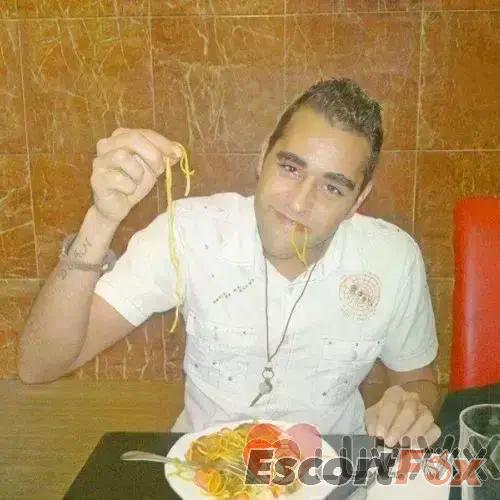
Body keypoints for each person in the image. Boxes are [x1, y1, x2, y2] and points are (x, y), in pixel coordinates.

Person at [18, 77, 441, 448]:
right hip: (203, 475)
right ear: (263, 155)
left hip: (329, 478)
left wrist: (410, 408)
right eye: (290, 168)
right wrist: (101, 219)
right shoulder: (191, 232)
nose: (299, 204)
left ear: (358, 200)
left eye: (332, 188)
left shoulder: (391, 258)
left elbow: (418, 381)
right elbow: (39, 365)